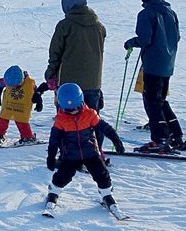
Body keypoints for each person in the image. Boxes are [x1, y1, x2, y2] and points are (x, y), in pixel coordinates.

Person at [43, 83, 126, 219]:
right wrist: (51, 157)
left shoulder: (90, 114)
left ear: (81, 101)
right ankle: (53, 192)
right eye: (68, 110)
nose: (73, 112)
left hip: (91, 154)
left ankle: (106, 195)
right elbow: (54, 140)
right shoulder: (60, 120)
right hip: (70, 156)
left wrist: (116, 141)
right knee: (62, 176)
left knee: (102, 174)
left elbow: (106, 128)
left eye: (76, 108)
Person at [124, 0, 185, 153]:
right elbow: (177, 37)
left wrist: (130, 42)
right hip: (167, 63)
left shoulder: (146, 13)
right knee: (160, 100)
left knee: (152, 102)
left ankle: (160, 139)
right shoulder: (170, 12)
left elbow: (144, 39)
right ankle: (175, 134)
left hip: (153, 64)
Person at [45, 0, 106, 111]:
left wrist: (50, 73)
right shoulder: (99, 27)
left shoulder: (65, 25)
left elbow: (55, 53)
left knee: (67, 121)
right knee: (91, 119)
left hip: (68, 83)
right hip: (93, 82)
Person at [0, 65, 45, 146]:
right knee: (3, 117)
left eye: (14, 86)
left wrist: (39, 102)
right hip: (9, 104)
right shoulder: (9, 79)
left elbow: (36, 92)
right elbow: (0, 83)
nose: (12, 87)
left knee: (21, 120)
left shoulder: (30, 83)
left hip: (21, 106)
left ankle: (27, 137)